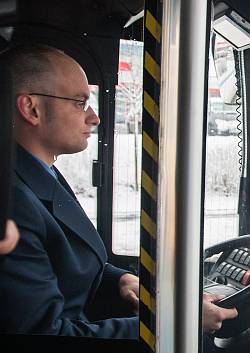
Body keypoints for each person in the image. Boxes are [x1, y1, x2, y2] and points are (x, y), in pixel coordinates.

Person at [0, 43, 236, 337]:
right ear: (31, 108)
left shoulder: (35, 174)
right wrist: (176, 325)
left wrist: (122, 280)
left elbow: (68, 272)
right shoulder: (12, 203)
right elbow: (44, 339)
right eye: (79, 102)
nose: (94, 117)